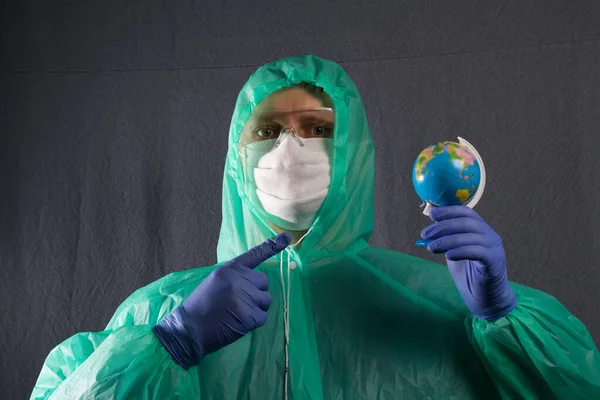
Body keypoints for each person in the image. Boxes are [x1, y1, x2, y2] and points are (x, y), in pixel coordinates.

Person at [31, 55, 600, 399]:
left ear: (352, 150)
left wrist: (504, 321)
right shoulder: (158, 314)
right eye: (266, 131)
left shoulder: (435, 304)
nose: (290, 147)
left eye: (317, 128)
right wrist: (168, 347)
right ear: (236, 156)